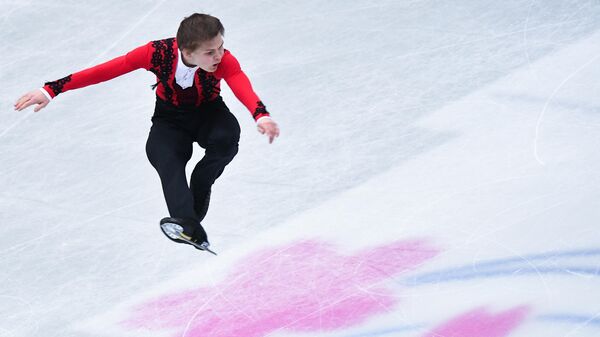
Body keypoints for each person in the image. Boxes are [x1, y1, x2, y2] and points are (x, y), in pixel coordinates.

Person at [13, 13, 280, 253]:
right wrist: (52, 89)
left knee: (227, 138)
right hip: (170, 118)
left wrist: (261, 115)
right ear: (187, 50)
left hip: (209, 112)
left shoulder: (224, 60)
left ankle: (201, 184)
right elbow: (107, 69)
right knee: (162, 155)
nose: (219, 55)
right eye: (210, 52)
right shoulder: (157, 53)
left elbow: (240, 82)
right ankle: (187, 223)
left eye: (221, 46)